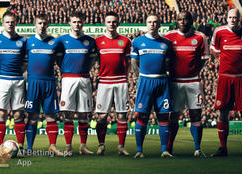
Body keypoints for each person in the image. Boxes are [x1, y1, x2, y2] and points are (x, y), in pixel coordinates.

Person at [210, 8, 242, 157]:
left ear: (240, 18)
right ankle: (223, 148)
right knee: (223, 112)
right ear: (226, 18)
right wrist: (220, 60)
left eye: (235, 17)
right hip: (224, 78)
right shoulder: (219, 32)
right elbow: (213, 48)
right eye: (230, 17)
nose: (232, 19)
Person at [164, 11, 209, 157]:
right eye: (179, 19)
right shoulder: (169, 37)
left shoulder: (200, 37)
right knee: (174, 116)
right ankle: (169, 148)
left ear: (191, 21)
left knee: (196, 115)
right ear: (176, 21)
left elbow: (203, 59)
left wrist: (193, 71)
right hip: (175, 82)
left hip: (193, 82)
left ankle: (197, 149)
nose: (182, 22)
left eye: (185, 19)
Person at [130, 14, 173, 158]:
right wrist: (140, 77)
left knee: (163, 116)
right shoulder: (137, 42)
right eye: (149, 22)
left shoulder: (166, 43)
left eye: (155, 22)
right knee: (142, 116)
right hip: (145, 81)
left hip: (162, 81)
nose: (152, 25)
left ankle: (164, 150)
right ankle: (139, 150)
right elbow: (134, 63)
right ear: (146, 24)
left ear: (159, 25)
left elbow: (168, 64)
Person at [57, 11, 97, 156]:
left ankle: (83, 146)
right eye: (74, 21)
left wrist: (85, 69)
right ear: (70, 23)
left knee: (83, 113)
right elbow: (59, 60)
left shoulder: (90, 41)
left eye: (79, 21)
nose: (77, 24)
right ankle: (68, 146)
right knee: (68, 114)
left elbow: (92, 60)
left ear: (83, 23)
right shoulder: (62, 41)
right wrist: (66, 70)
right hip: (68, 78)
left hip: (84, 78)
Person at [24, 13, 64, 156]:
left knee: (51, 117)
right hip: (33, 83)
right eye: (39, 23)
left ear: (48, 25)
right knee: (32, 117)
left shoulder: (55, 42)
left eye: (44, 23)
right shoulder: (27, 42)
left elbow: (61, 62)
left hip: (49, 83)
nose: (42, 26)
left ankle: (52, 146)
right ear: (35, 24)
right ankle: (29, 148)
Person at [94, 11, 132, 156]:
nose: (112, 24)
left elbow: (128, 61)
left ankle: (121, 146)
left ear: (118, 23)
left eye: (114, 21)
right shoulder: (97, 41)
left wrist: (125, 76)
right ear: (105, 23)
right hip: (104, 81)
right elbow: (96, 59)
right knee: (102, 116)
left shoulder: (125, 41)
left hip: (121, 81)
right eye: (109, 21)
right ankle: (101, 145)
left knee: (122, 116)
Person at [0, 12, 27, 156]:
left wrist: (17, 73)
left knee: (18, 114)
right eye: (7, 22)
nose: (10, 24)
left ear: (16, 23)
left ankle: (21, 147)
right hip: (1, 79)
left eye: (12, 22)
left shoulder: (23, 41)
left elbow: (25, 62)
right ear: (2, 23)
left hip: (18, 80)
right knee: (1, 113)